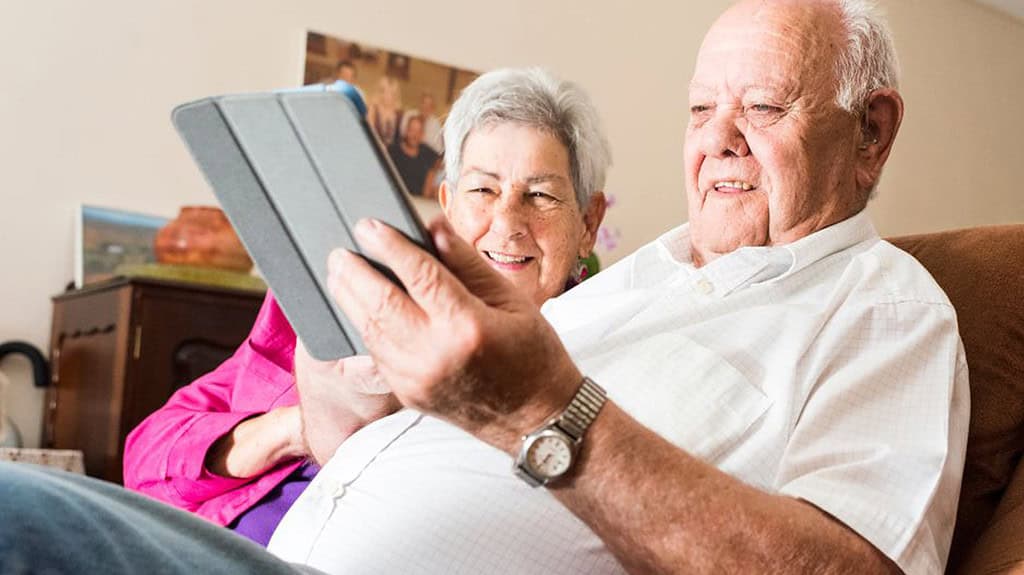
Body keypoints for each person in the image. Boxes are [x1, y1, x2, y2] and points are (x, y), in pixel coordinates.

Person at [0, 1, 968, 573]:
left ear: (871, 132)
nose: (717, 138)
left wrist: (544, 409)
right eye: (700, 108)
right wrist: (343, 394)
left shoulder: (885, 309)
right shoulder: (633, 280)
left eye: (761, 107)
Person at [121, 66, 610, 547]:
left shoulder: (595, 364)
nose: (506, 223)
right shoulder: (342, 294)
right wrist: (301, 428)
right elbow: (145, 461)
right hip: (197, 545)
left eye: (541, 195)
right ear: (448, 202)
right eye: (482, 189)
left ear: (589, 221)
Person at [388, 114, 441, 198]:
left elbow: (441, 160)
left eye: (418, 131)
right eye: (412, 130)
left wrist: (432, 174)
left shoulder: (425, 150)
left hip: (421, 202)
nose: (415, 135)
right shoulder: (393, 151)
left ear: (422, 134)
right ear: (406, 131)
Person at [366, 75, 403, 146]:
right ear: (380, 92)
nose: (389, 96)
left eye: (393, 92)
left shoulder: (399, 114)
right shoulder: (373, 109)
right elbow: (370, 133)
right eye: (386, 91)